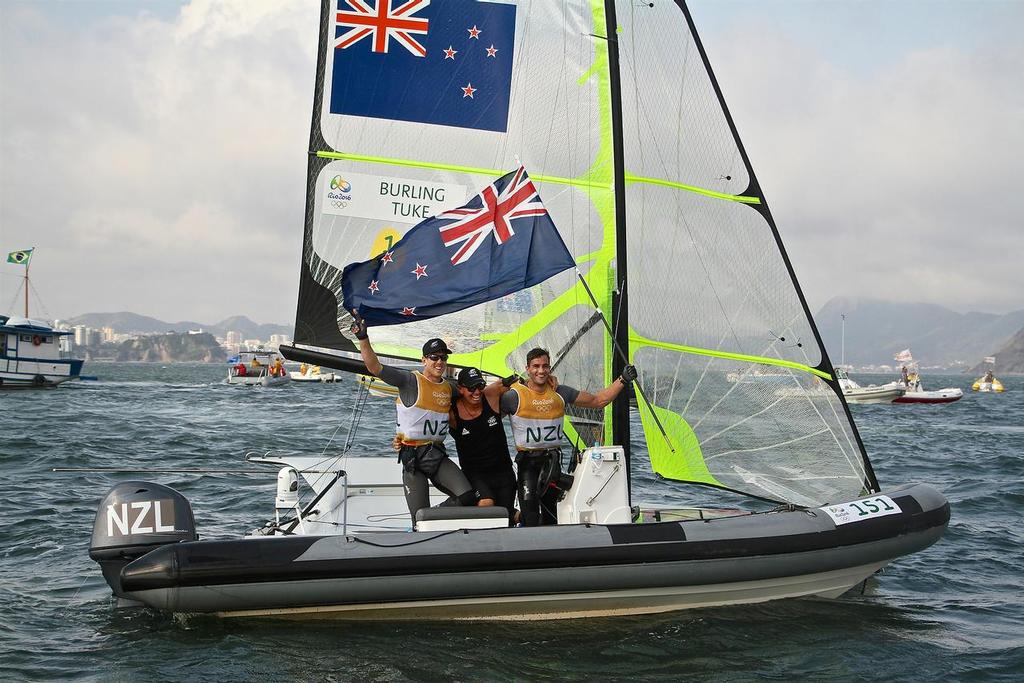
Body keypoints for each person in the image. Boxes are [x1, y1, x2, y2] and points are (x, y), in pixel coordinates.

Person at [351, 312, 479, 524]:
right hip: (413, 460)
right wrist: (363, 339)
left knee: (467, 497)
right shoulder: (410, 380)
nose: (440, 362)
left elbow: (475, 392)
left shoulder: (450, 387)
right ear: (424, 360)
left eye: (444, 358)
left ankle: (430, 518)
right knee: (417, 520)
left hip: (437, 456)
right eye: (434, 357)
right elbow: (375, 367)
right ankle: (423, 522)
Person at [499, 347, 637, 527]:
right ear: (527, 368)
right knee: (530, 516)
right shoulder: (513, 396)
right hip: (528, 464)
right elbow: (489, 418)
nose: (541, 371)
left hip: (551, 463)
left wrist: (623, 380)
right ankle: (521, 527)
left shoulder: (560, 392)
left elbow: (598, 401)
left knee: (551, 515)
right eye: (536, 366)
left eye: (545, 366)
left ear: (550, 369)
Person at [450, 367, 518, 524]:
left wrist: (549, 382)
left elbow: (515, 380)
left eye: (479, 386)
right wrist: (402, 439)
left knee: (505, 518)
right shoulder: (452, 412)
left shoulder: (490, 394)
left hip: (503, 472)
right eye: (471, 388)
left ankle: (518, 518)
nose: (477, 392)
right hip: (476, 474)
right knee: (487, 504)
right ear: (460, 389)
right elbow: (426, 419)